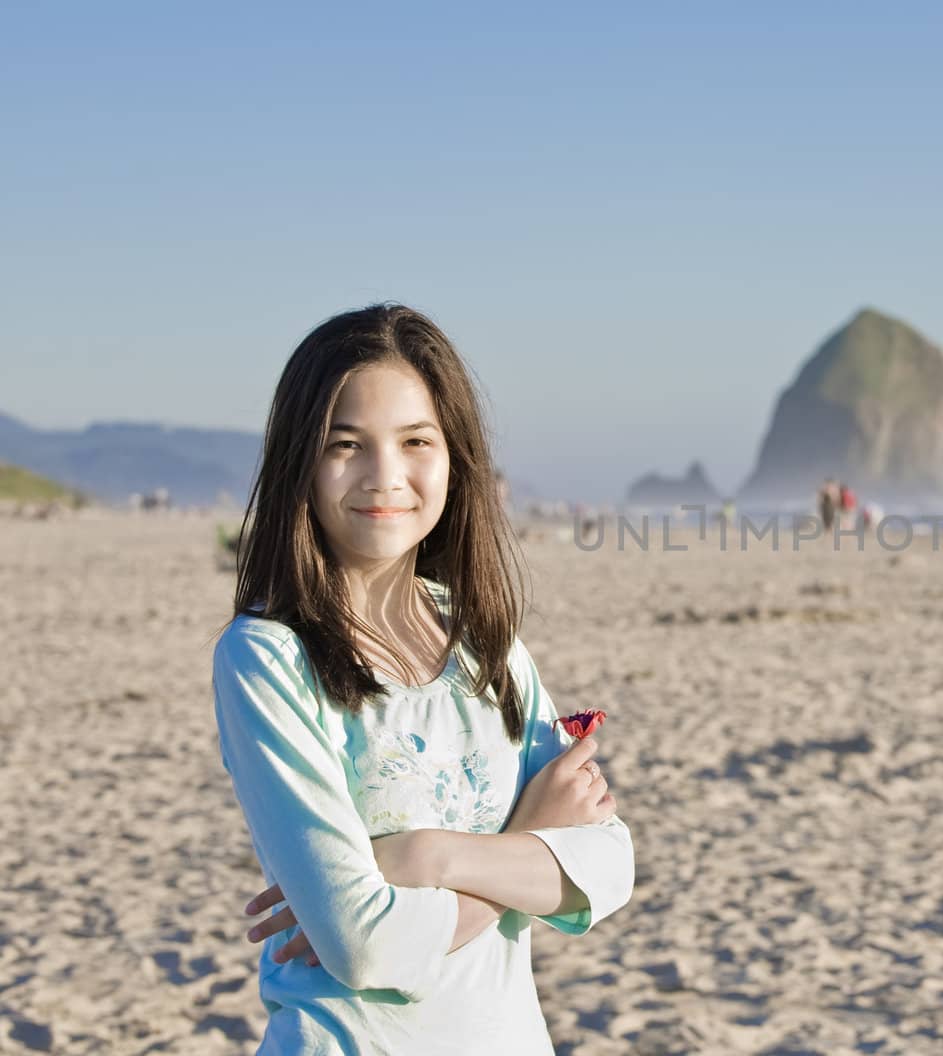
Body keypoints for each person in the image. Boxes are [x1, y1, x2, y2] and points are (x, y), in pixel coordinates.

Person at [211, 305, 634, 1054]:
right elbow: (365, 947)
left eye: (416, 441)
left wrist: (425, 858)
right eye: (347, 444)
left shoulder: (485, 641)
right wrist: (530, 842)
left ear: (454, 458)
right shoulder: (268, 657)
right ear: (300, 464)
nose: (386, 477)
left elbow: (608, 867)